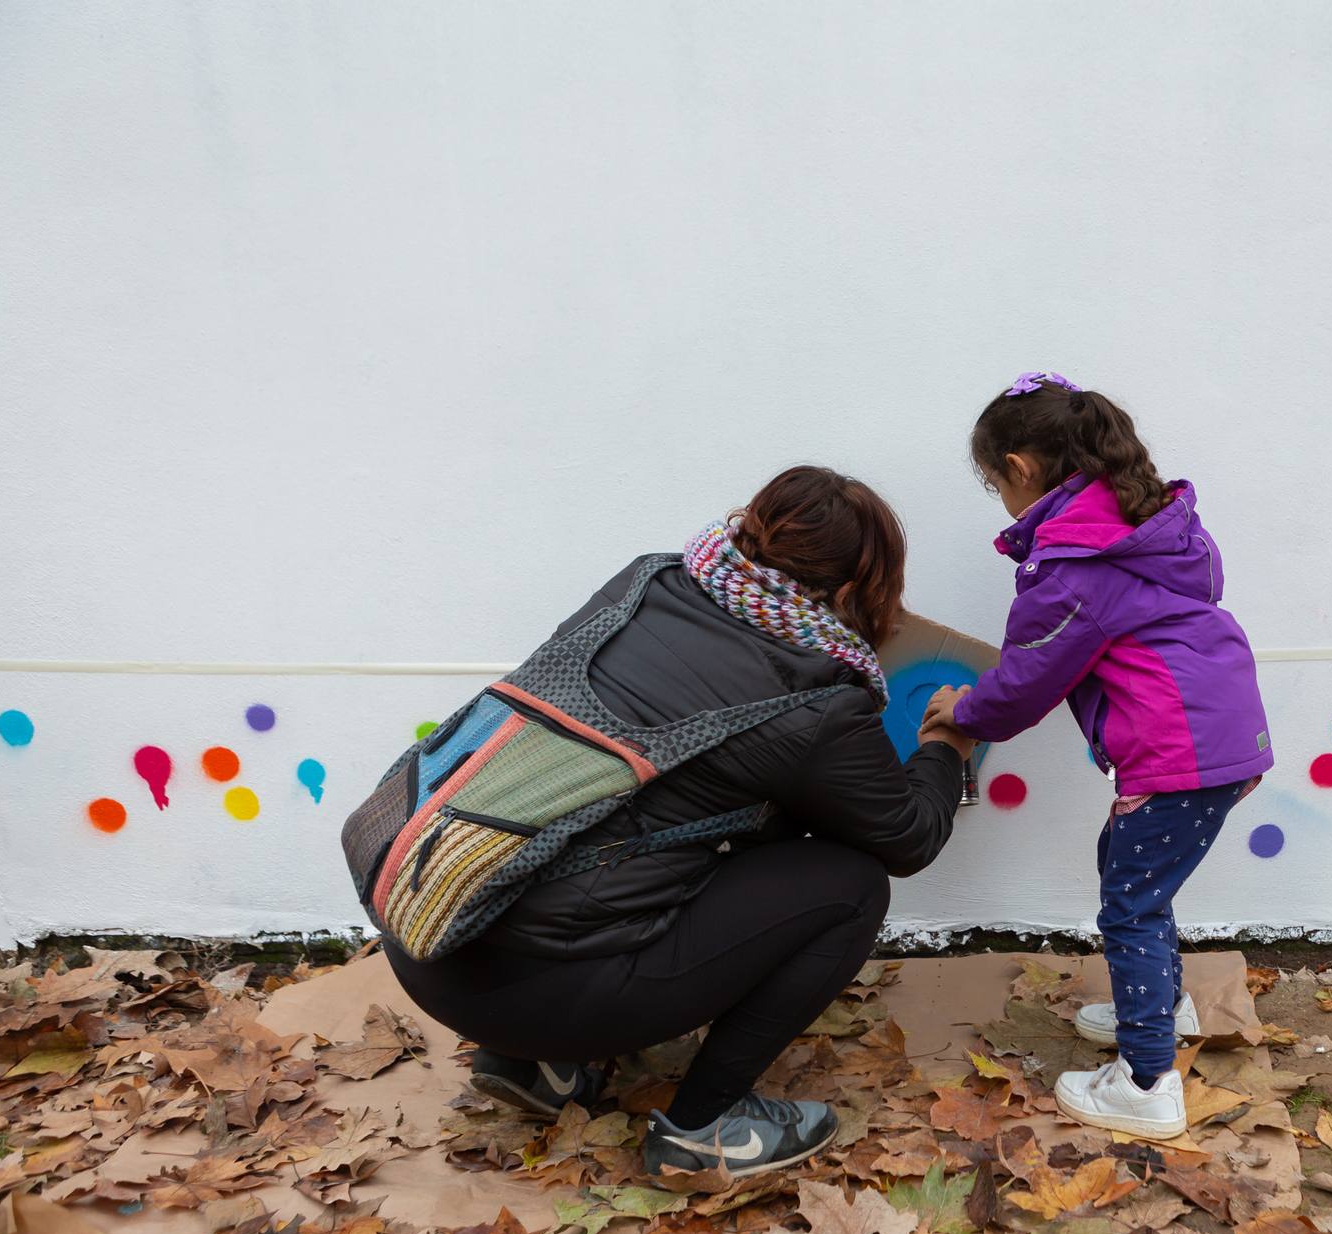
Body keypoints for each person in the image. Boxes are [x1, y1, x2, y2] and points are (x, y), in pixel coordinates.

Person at [386, 467, 972, 1178]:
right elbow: (908, 838)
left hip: (433, 926)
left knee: (633, 833)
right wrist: (946, 746)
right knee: (851, 886)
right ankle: (706, 1126)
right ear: (851, 593)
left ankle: (538, 1069)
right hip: (538, 993)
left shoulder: (648, 582)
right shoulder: (815, 703)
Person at [922, 372, 1271, 1139]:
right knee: (1136, 870)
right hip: (1225, 742)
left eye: (992, 484)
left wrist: (964, 710)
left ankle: (1147, 1082)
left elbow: (1027, 680)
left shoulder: (1074, 565)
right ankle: (1162, 1005)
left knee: (1130, 904)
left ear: (1020, 469)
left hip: (1180, 754)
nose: (1000, 499)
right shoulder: (1153, 529)